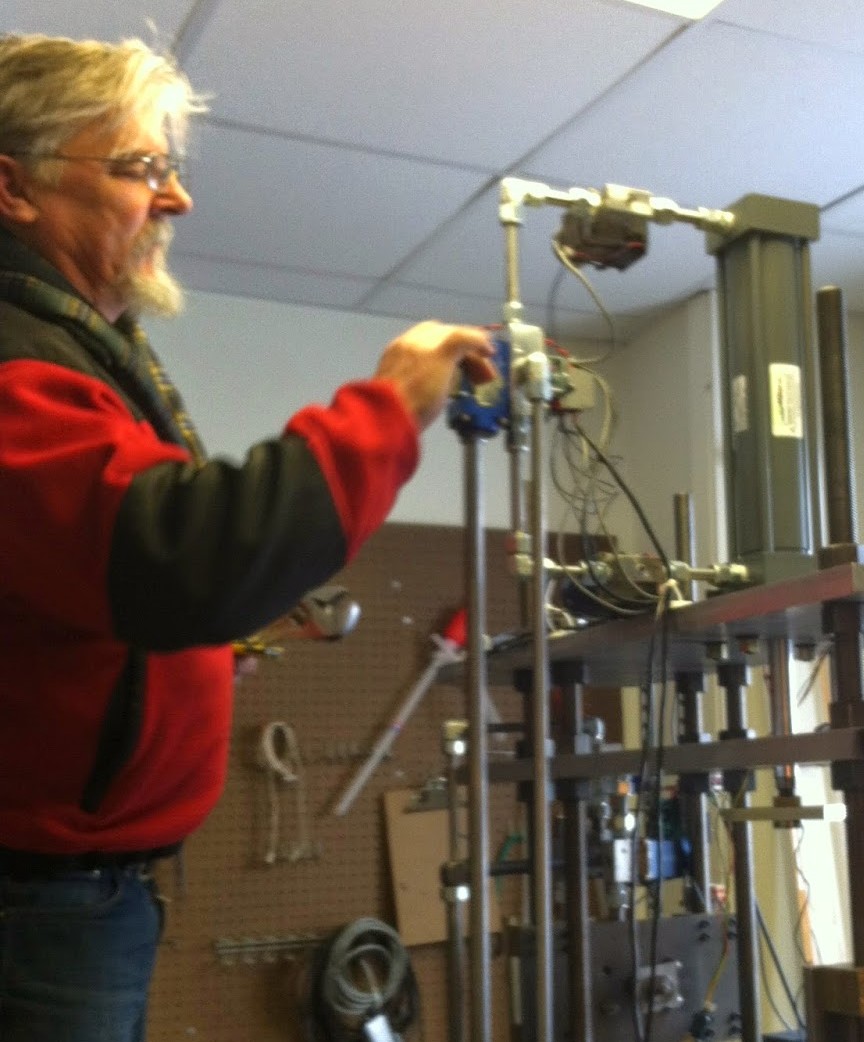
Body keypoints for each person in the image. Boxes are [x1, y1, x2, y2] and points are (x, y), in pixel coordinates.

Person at [0, 32, 496, 1042]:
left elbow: (113, 576)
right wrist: (395, 402)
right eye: (141, 168)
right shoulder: (15, 365)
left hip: (77, 896)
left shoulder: (78, 347)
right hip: (40, 909)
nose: (174, 200)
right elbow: (188, 554)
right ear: (13, 189)